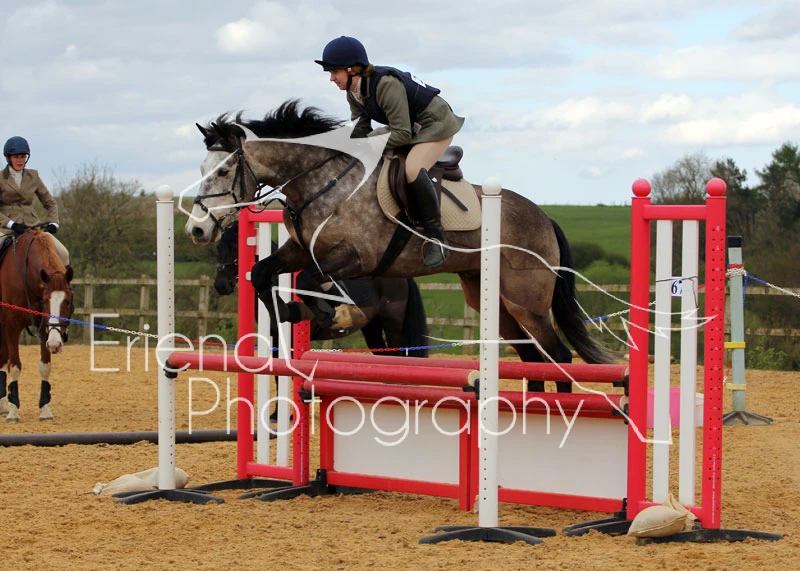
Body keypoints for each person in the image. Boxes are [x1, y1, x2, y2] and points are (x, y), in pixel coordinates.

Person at [315, 36, 464, 268]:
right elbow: (360, 131)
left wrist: (367, 144)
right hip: (410, 126)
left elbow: (402, 134)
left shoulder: (385, 85)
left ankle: (436, 238)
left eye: (334, 72)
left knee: (412, 168)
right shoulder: (353, 91)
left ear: (352, 69)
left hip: (435, 124)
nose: (331, 78)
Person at [0, 136, 69, 265]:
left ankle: (62, 279)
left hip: (32, 226)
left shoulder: (33, 176)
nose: (20, 160)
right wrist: (12, 224)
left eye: (23, 156)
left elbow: (50, 202)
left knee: (63, 254)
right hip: (5, 228)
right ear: (8, 158)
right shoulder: (0, 178)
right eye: (16, 157)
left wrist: (54, 222)